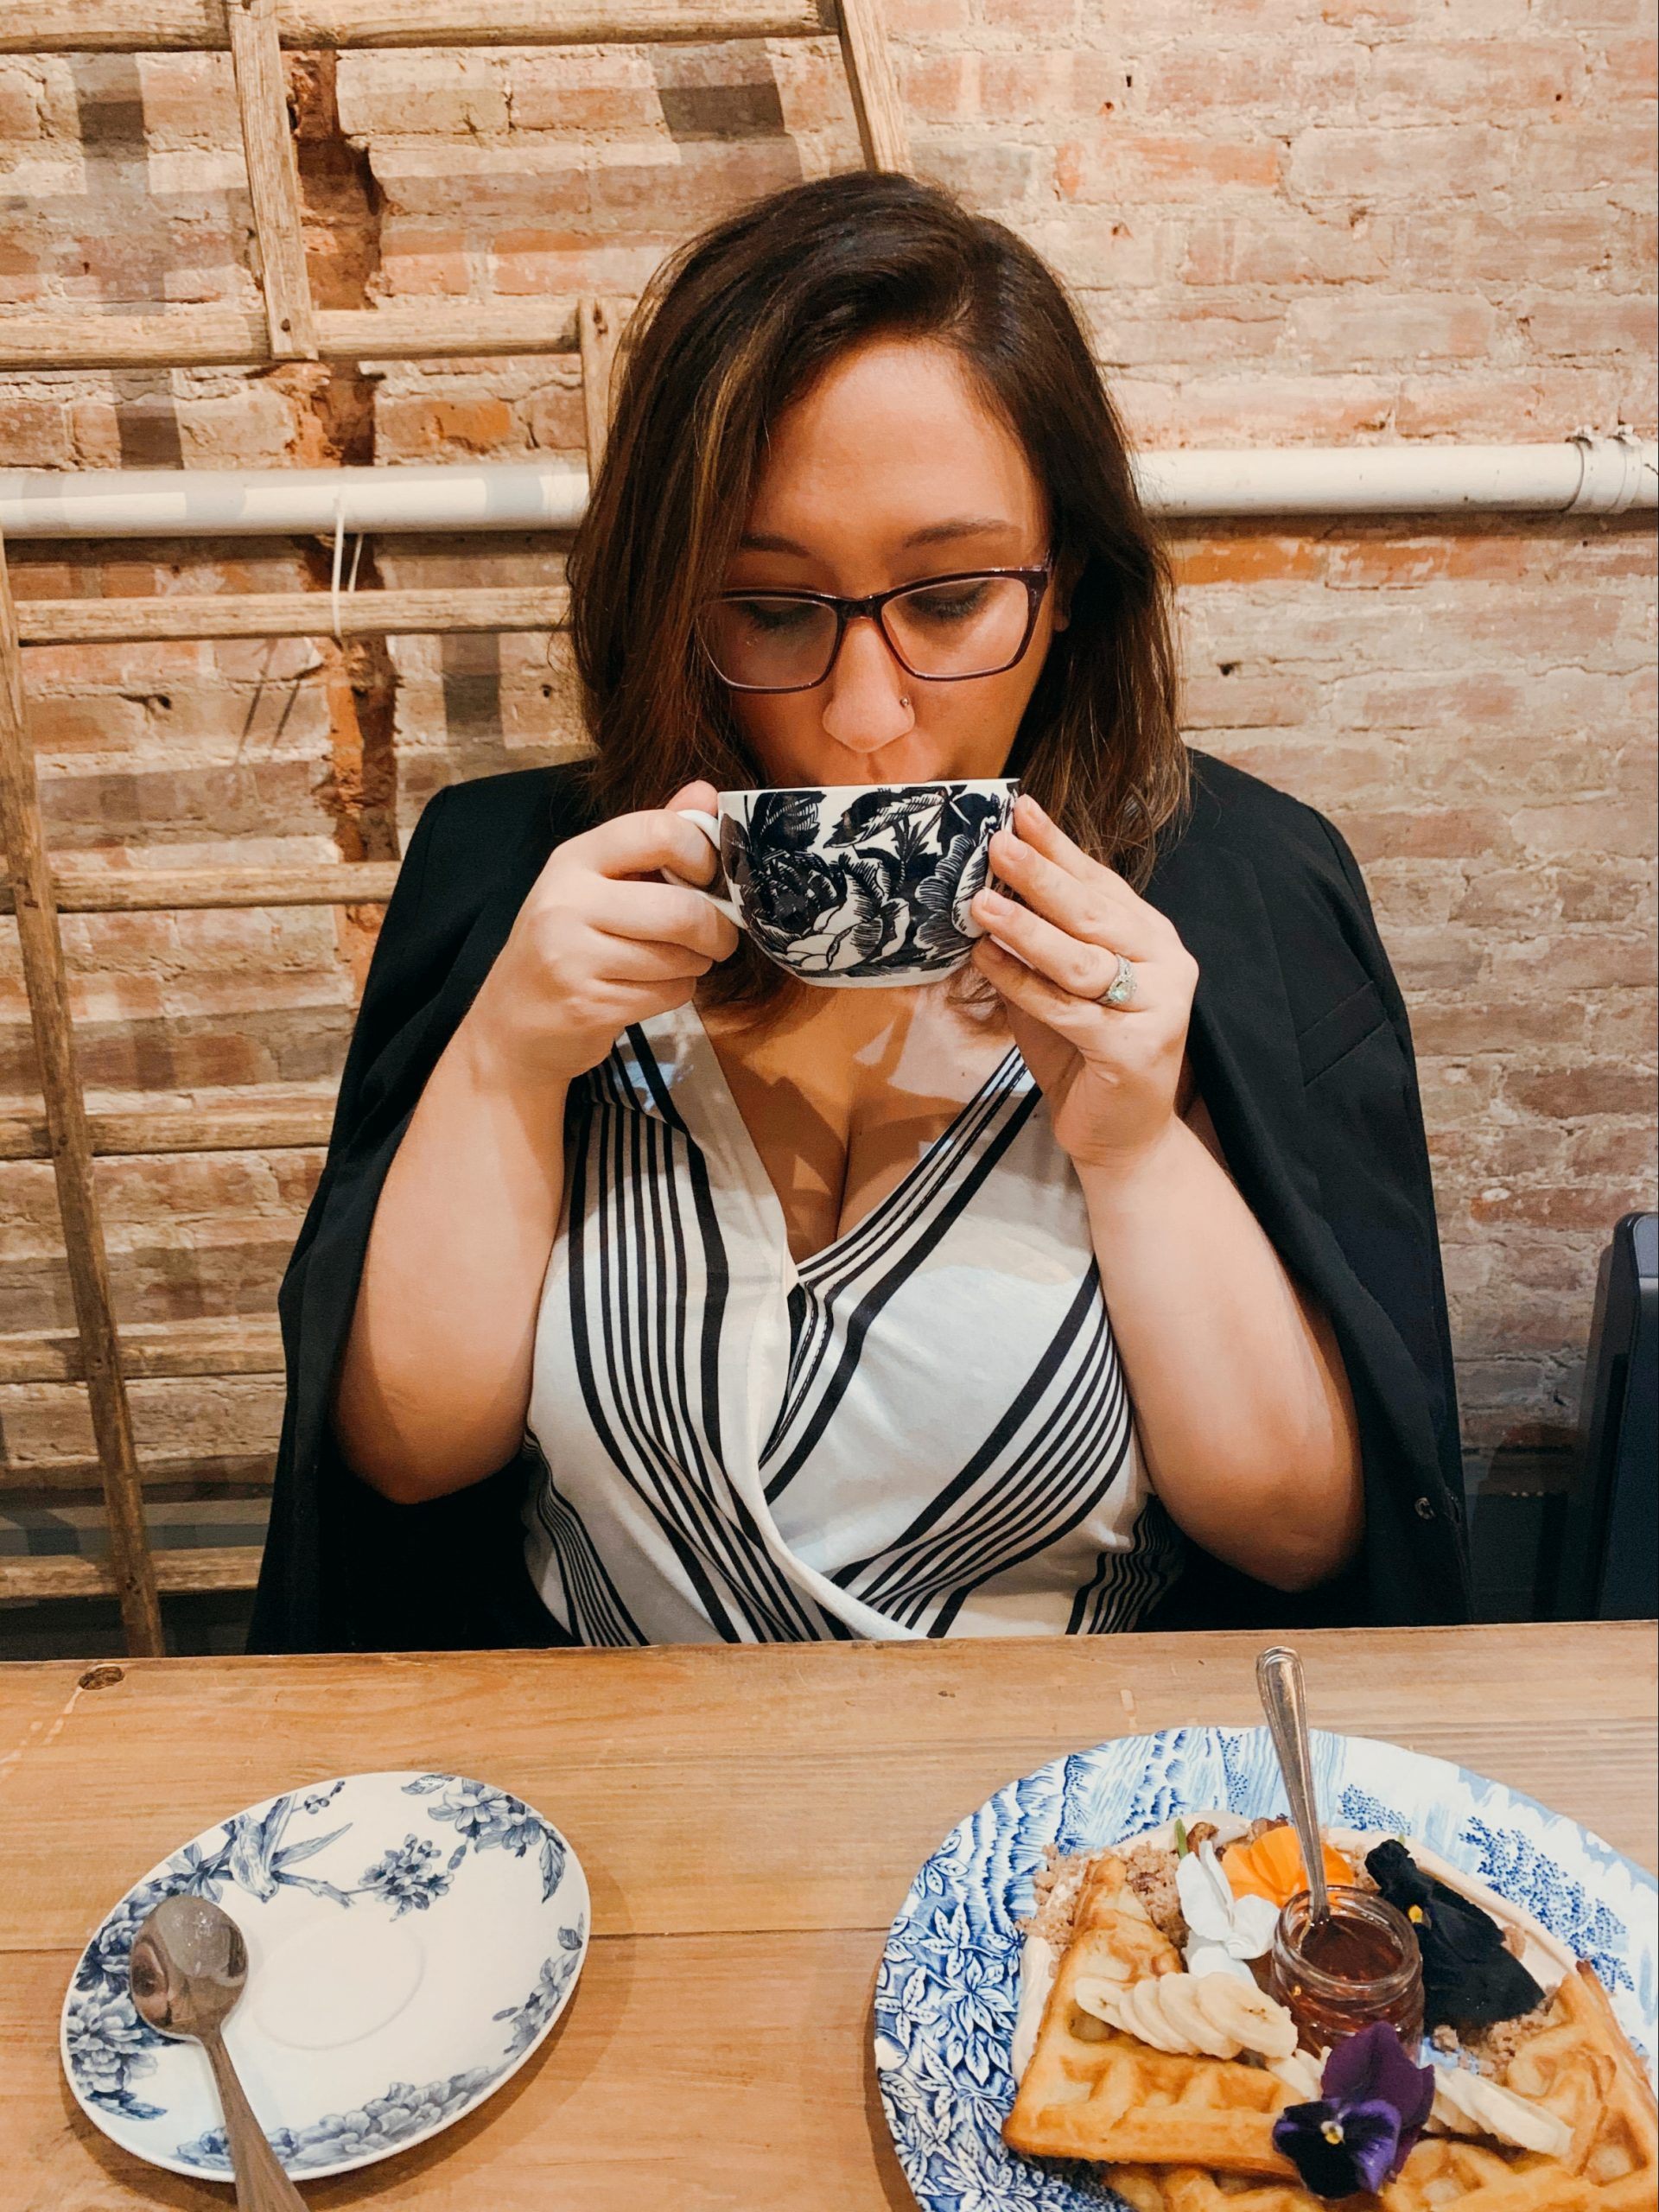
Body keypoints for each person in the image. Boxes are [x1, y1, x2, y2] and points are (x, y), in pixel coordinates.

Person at [251, 173, 1470, 1653]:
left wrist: (1137, 1146)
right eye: (772, 609)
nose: (869, 719)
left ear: (1067, 578)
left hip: (1068, 1837)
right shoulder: (521, 885)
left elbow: (1299, 1540)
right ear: (676, 602)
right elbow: (404, 1461)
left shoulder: (1239, 899)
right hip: (617, 1810)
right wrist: (506, 1062)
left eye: (949, 599)